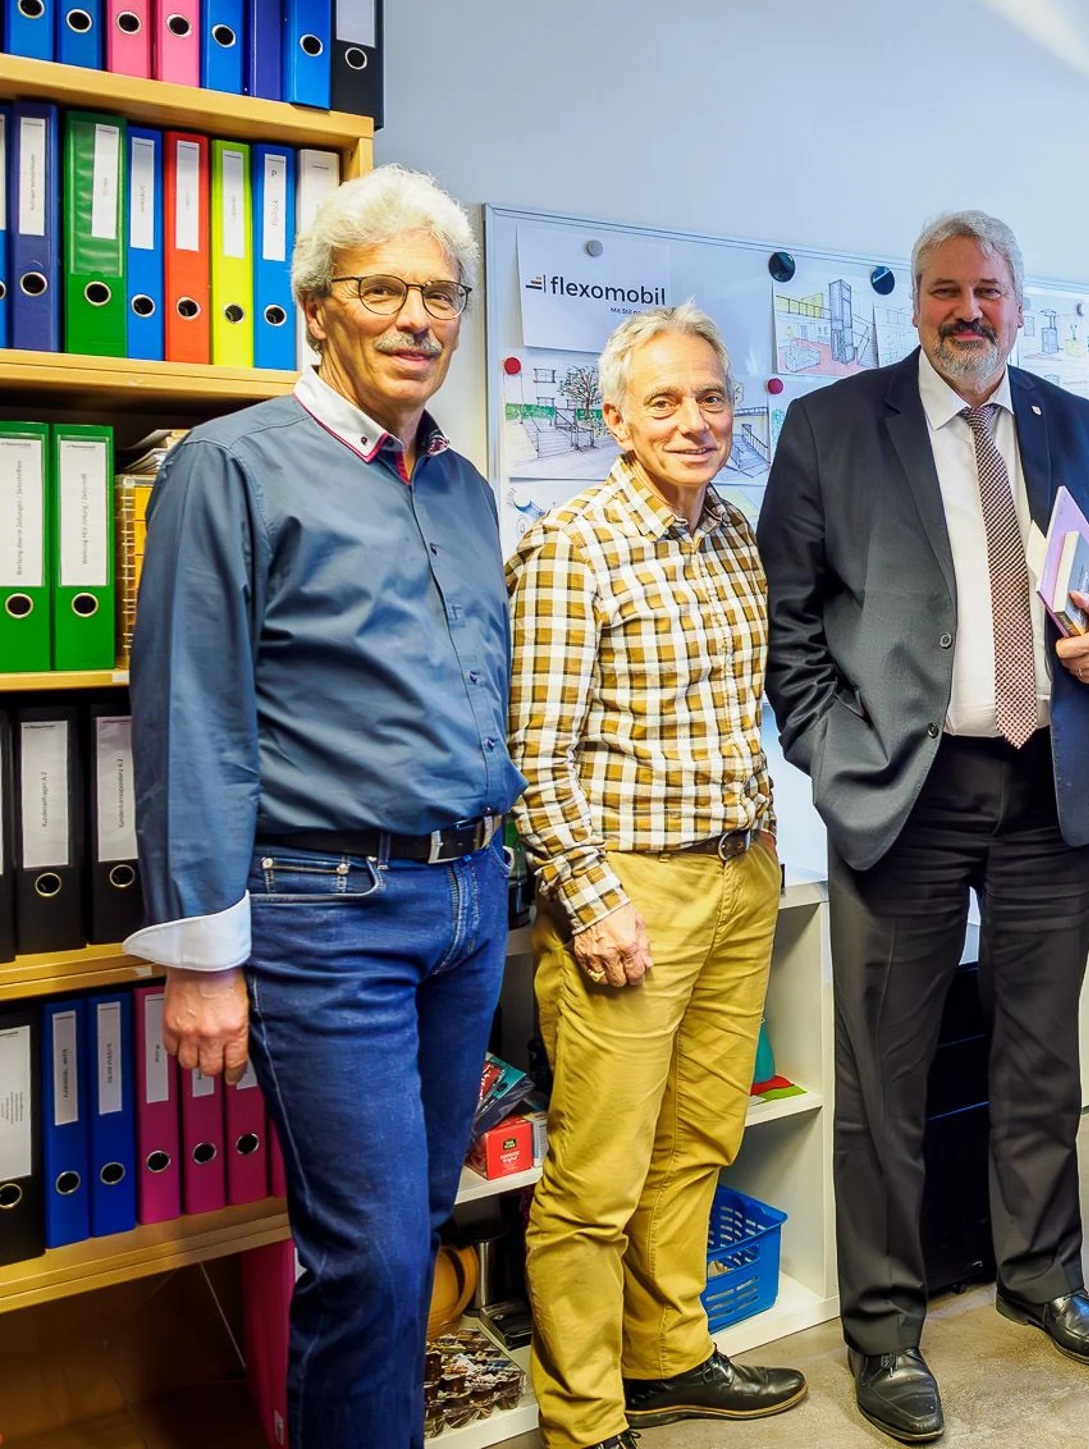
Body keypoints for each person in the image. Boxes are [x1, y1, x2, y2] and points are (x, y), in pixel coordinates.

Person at [758, 209, 1089, 1444]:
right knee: (882, 1078)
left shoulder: (1076, 422)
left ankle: (1042, 1274)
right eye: (943, 291)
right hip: (903, 794)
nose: (966, 313)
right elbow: (786, 619)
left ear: (1017, 301)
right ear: (916, 304)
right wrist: (833, 752)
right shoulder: (833, 427)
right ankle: (883, 1330)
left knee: (1039, 1058)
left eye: (986, 291)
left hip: (1055, 785)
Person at [126, 166, 520, 1449]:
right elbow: (192, 717)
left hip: (467, 901)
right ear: (316, 307)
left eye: (440, 294)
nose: (418, 318)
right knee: (369, 1259)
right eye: (383, 290)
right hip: (326, 914)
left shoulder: (458, 484)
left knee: (414, 1231)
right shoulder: (229, 467)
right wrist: (202, 958)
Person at [509, 306, 806, 1449]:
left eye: (712, 398)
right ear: (617, 417)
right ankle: (583, 1415)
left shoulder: (735, 536)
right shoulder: (573, 543)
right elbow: (533, 752)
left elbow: (746, 714)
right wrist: (589, 900)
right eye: (667, 402)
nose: (695, 420)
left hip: (738, 879)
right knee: (596, 1173)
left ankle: (667, 1352)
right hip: (633, 891)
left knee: (698, 1140)